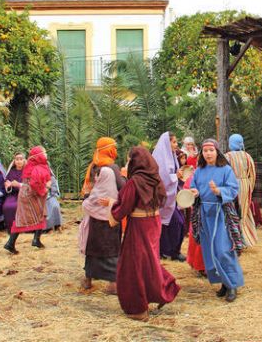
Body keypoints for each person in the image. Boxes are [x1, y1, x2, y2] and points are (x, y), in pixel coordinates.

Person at [111, 146, 180, 321]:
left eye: (130, 159)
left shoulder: (135, 182)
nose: (128, 162)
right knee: (148, 260)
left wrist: (112, 209)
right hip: (154, 223)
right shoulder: (155, 179)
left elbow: (123, 206)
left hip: (140, 226)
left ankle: (139, 309)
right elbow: (162, 200)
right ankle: (164, 288)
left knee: (132, 265)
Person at [190, 139, 244, 302]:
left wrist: (218, 190)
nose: (207, 154)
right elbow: (194, 187)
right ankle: (224, 284)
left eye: (211, 150)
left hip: (221, 214)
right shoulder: (199, 171)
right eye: (205, 151)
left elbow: (233, 189)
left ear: (217, 152)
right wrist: (194, 191)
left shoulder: (226, 169)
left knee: (223, 250)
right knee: (211, 251)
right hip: (205, 214)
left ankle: (233, 285)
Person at [78, 137, 124, 293]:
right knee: (110, 250)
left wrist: (90, 200)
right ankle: (114, 283)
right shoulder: (112, 168)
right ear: (109, 150)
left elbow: (87, 189)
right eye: (114, 148)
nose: (116, 151)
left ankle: (88, 278)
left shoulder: (93, 166)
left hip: (93, 214)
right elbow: (123, 188)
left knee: (93, 248)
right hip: (109, 216)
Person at [3, 146, 51, 254]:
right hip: (31, 195)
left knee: (40, 214)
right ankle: (10, 243)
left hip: (29, 194)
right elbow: (35, 184)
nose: (46, 155)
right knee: (22, 219)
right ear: (38, 156)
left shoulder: (35, 165)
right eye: (44, 153)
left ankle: (36, 240)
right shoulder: (37, 168)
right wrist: (46, 188)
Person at [153, 132, 186, 262]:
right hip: (163, 199)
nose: (176, 145)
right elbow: (162, 178)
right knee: (172, 224)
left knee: (178, 223)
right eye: (174, 142)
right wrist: (175, 176)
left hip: (172, 198)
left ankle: (172, 251)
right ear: (167, 143)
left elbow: (172, 174)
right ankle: (168, 251)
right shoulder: (160, 158)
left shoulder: (172, 156)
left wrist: (178, 175)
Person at [224, 134, 258, 247]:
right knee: (243, 213)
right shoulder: (248, 157)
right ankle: (244, 240)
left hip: (230, 186)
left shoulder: (226, 156)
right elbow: (252, 175)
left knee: (231, 213)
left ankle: (233, 241)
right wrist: (249, 188)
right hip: (244, 186)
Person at [3, 152, 25, 233]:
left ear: (24, 160)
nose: (19, 161)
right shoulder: (11, 171)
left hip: (24, 195)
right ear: (14, 161)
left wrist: (19, 185)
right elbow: (6, 181)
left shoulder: (27, 171)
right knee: (7, 206)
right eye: (17, 159)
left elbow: (29, 185)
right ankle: (11, 229)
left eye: (21, 159)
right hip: (12, 194)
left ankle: (22, 228)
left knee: (19, 206)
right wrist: (7, 185)